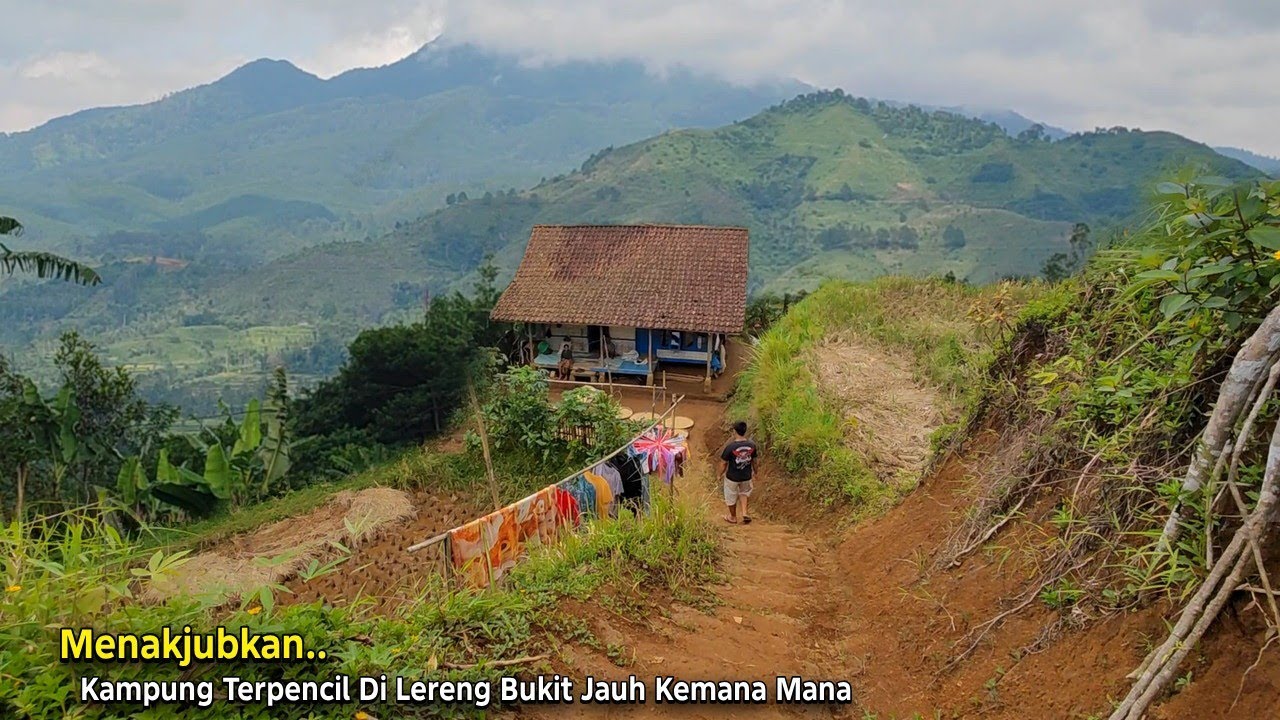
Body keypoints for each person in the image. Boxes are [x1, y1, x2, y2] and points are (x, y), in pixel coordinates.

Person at [719, 420, 759, 524]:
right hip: (746, 476)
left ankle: (733, 517)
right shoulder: (752, 445)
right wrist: (756, 473)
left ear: (734, 431)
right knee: (744, 493)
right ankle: (745, 513)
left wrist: (719, 474)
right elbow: (754, 461)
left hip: (732, 477)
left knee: (730, 496)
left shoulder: (730, 447)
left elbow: (723, 463)